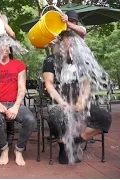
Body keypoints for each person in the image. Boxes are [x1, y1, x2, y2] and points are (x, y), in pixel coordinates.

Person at [42, 30, 112, 164]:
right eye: (66, 41)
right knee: (55, 117)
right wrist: (62, 102)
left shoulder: (80, 62)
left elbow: (87, 84)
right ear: (60, 43)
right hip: (58, 102)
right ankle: (63, 145)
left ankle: (77, 140)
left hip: (78, 102)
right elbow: (49, 84)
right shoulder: (50, 60)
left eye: (72, 42)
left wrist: (82, 100)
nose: (69, 44)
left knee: (104, 118)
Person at [0, 36, 36, 166]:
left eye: (7, 45)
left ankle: (19, 150)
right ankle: (4, 148)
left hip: (14, 103)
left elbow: (22, 87)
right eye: (2, 45)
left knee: (30, 120)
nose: (5, 47)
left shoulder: (19, 64)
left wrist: (16, 106)